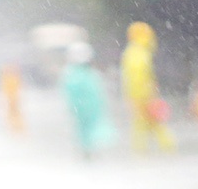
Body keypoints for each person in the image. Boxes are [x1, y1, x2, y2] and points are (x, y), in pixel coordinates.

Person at [120, 22, 176, 152]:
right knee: (155, 125)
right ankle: (168, 150)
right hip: (144, 97)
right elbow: (141, 77)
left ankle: (142, 154)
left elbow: (128, 79)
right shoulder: (141, 53)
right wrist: (149, 94)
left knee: (142, 127)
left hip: (137, 97)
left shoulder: (131, 53)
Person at [60, 43, 116, 158]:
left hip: (88, 109)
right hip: (84, 109)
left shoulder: (81, 73)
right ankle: (87, 152)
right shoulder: (77, 74)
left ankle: (88, 152)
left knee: (88, 132)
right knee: (86, 132)